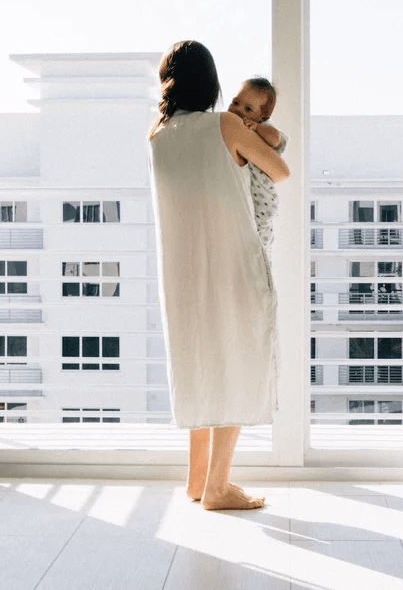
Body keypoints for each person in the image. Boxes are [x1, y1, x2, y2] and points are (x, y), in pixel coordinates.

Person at [147, 41, 289, 511]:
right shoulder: (225, 124)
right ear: (211, 82)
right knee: (238, 362)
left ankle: (196, 481)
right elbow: (280, 171)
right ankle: (219, 486)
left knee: (200, 368)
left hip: (183, 272)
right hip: (232, 264)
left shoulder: (158, 134)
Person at [228, 77, 288, 257]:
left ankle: (262, 254)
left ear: (263, 116)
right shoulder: (232, 125)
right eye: (235, 102)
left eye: (248, 109)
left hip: (263, 193)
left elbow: (276, 139)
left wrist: (257, 128)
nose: (238, 110)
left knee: (260, 231)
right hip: (248, 189)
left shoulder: (263, 127)